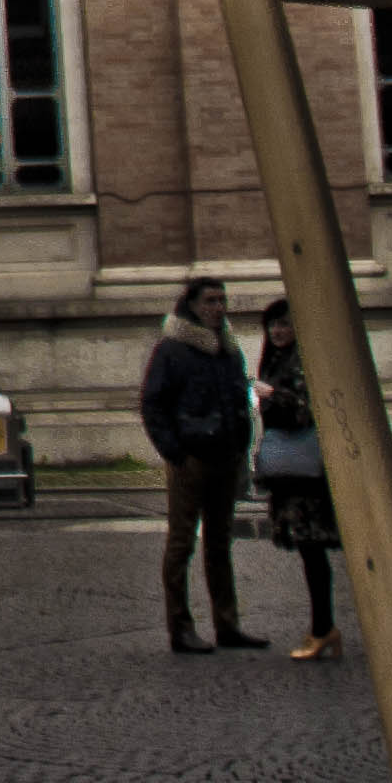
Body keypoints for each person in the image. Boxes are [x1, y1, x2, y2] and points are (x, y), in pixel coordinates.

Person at [142, 277, 262, 654]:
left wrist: (241, 441)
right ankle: (180, 627)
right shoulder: (171, 350)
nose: (218, 307)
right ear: (192, 305)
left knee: (220, 544)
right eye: (211, 300)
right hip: (190, 459)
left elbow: (239, 394)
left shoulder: (228, 349)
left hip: (226, 456)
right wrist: (174, 453)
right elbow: (153, 404)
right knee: (181, 544)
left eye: (222, 300)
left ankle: (227, 624)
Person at [251, 299, 341, 660]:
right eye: (273, 325)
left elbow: (307, 409)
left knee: (313, 550)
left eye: (284, 324)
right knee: (309, 552)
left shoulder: (303, 360)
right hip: (291, 473)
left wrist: (272, 396)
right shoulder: (273, 360)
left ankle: (323, 628)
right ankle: (322, 627)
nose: (277, 331)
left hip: (308, 476)